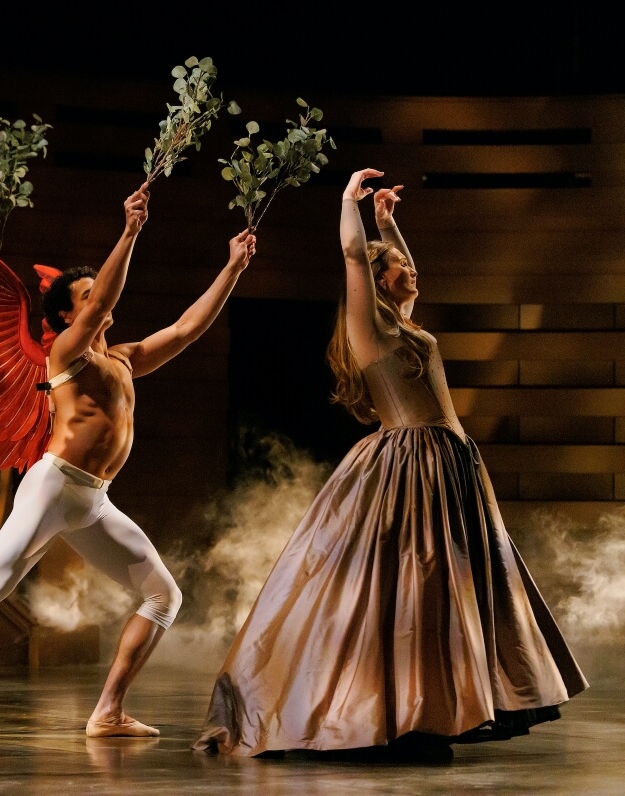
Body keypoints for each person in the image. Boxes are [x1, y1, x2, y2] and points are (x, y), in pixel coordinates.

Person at [0, 186, 257, 737]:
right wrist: (129, 231)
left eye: (93, 295)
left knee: (163, 596)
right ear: (66, 314)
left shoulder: (123, 359)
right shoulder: (67, 353)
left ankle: (107, 711)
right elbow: (103, 302)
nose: (98, 302)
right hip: (52, 488)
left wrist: (233, 269)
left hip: (92, 501)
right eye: (84, 297)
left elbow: (185, 329)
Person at [194, 169, 587, 759]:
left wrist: (387, 221)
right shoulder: (372, 328)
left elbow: (384, 253)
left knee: (441, 592)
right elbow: (354, 257)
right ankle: (389, 711)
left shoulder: (406, 327)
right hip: (409, 464)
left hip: (448, 463)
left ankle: (433, 707)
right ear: (378, 282)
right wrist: (350, 202)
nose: (411, 268)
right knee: (406, 588)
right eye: (399, 265)